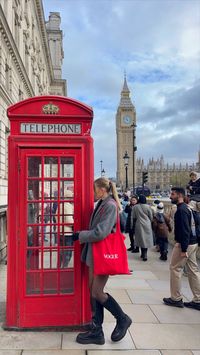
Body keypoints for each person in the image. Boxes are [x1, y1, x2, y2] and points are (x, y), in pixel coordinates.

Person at [71, 177, 132, 345]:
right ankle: (97, 331)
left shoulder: (110, 206)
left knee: (97, 292)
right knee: (93, 292)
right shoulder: (102, 204)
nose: (92, 192)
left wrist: (80, 236)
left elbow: (100, 232)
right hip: (95, 254)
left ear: (102, 190)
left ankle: (123, 318)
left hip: (103, 255)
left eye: (94, 190)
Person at [163, 187, 200, 310]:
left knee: (175, 268)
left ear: (179, 195)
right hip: (193, 243)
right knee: (193, 270)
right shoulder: (188, 208)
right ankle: (198, 299)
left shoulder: (181, 211)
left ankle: (176, 298)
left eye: (172, 194)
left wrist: (183, 249)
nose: (170, 197)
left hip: (185, 244)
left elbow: (185, 230)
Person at [131, 194, 154, 261]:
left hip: (139, 224)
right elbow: (151, 217)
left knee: (141, 239)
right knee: (146, 240)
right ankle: (145, 254)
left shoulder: (135, 207)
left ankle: (143, 253)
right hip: (147, 224)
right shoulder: (148, 207)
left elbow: (134, 217)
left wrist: (132, 225)